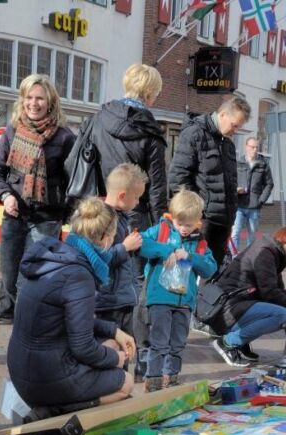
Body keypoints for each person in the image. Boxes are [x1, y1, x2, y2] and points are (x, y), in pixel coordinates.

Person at [7, 198, 135, 418]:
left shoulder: (57, 254)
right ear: (105, 239)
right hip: (45, 376)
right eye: (114, 236)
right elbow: (83, 347)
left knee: (112, 344)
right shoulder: (78, 275)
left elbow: (67, 320)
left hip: (22, 368)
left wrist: (113, 331)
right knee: (126, 383)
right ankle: (53, 411)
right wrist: (117, 360)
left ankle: (54, 406)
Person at [85, 65, 167, 380]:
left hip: (101, 211)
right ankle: (135, 359)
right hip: (137, 216)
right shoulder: (151, 132)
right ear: (150, 93)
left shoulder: (99, 119)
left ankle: (99, 351)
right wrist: (161, 228)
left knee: (98, 279)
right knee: (135, 291)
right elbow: (158, 188)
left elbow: (87, 162)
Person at [0, 74, 75, 324]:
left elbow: (73, 181)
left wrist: (64, 214)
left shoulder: (64, 138)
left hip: (46, 217)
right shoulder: (12, 131)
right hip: (15, 212)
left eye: (39, 98)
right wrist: (5, 194)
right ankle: (6, 307)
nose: (34, 103)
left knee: (32, 272)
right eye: (29, 98)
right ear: (22, 100)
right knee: (9, 267)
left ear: (51, 102)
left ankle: (27, 316)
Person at [139, 190, 216, 392]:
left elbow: (210, 267)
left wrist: (189, 257)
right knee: (159, 342)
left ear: (198, 221)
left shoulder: (199, 241)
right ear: (172, 218)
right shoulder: (161, 231)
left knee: (178, 343)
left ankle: (171, 378)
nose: (183, 229)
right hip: (160, 298)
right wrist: (167, 250)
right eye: (179, 224)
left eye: (188, 225)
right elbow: (141, 243)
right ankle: (153, 379)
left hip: (184, 302)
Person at [168, 96, 251, 268]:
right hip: (201, 220)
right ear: (222, 115)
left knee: (213, 272)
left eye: (239, 127)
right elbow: (179, 177)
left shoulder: (227, 143)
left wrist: (232, 212)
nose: (235, 130)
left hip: (223, 220)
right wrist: (191, 214)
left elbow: (230, 180)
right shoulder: (194, 134)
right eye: (234, 125)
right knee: (190, 270)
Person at [212, 226, 286, 367]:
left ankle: (240, 343)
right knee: (281, 314)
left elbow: (279, 290)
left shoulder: (272, 252)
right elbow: (269, 292)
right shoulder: (265, 253)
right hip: (228, 310)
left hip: (234, 305)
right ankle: (227, 343)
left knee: (283, 309)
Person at [95, 164, 146, 344]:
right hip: (109, 301)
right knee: (112, 348)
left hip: (123, 298)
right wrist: (125, 247)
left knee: (125, 348)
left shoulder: (121, 216)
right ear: (122, 196)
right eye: (137, 198)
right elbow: (98, 258)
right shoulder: (102, 219)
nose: (138, 202)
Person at [231, 137, 274, 251]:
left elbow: (269, 184)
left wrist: (261, 200)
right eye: (252, 147)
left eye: (256, 147)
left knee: (252, 236)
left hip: (254, 206)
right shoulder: (238, 163)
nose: (255, 150)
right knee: (235, 233)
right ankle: (233, 257)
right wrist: (236, 189)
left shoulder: (263, 165)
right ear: (246, 147)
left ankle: (249, 259)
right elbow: (231, 180)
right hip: (239, 205)